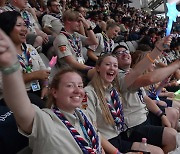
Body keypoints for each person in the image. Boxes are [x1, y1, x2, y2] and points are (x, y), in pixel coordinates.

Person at [0, 29, 125, 153]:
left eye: (80, 86)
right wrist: (10, 67)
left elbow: (97, 145)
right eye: (70, 85)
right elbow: (19, 105)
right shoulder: (46, 120)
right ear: (54, 92)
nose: (78, 91)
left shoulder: (84, 115)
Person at [83, 54, 164, 154]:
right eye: (108, 64)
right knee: (157, 152)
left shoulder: (113, 90)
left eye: (115, 65)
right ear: (98, 68)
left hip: (121, 134)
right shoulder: (89, 93)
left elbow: (137, 74)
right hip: (108, 142)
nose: (112, 68)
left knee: (157, 150)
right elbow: (92, 130)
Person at [111, 43, 177, 153]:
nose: (124, 54)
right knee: (172, 136)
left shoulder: (131, 72)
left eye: (126, 51)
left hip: (144, 116)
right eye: (119, 53)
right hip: (133, 126)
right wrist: (175, 65)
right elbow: (151, 79)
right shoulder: (117, 76)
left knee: (171, 114)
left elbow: (146, 98)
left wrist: (162, 115)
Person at [0, 11, 50, 100]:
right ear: (7, 29)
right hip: (15, 99)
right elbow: (3, 85)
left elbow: (44, 72)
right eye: (19, 25)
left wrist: (45, 86)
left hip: (37, 93)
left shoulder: (30, 48)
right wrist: (33, 75)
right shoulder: (2, 54)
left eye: (24, 25)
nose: (24, 29)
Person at [53, 9, 98, 74]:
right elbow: (72, 63)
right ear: (68, 20)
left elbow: (94, 41)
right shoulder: (61, 39)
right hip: (70, 72)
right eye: (78, 21)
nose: (80, 24)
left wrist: (87, 25)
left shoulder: (76, 35)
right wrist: (91, 68)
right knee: (98, 73)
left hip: (80, 69)